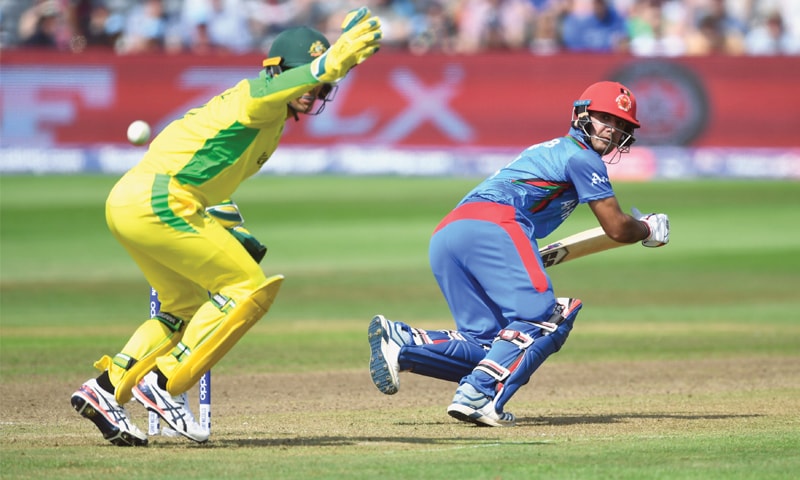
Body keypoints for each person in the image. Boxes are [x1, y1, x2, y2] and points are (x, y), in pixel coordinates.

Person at [70, 7, 383, 446]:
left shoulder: (268, 121)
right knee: (248, 287)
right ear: (279, 71)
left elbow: (207, 175)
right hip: (158, 199)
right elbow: (275, 90)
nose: (314, 93)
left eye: (321, 88)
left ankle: (105, 389)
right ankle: (163, 381)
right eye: (307, 82)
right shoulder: (256, 98)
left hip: (138, 200)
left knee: (183, 306)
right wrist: (330, 64)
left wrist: (229, 227)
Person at [368, 81, 670, 427]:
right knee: (547, 315)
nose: (612, 129)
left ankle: (404, 343)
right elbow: (616, 228)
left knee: (490, 346)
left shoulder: (550, 150)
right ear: (581, 115)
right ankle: (479, 396)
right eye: (605, 117)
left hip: (450, 234)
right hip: (496, 224)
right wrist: (647, 229)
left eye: (621, 125)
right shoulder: (583, 157)